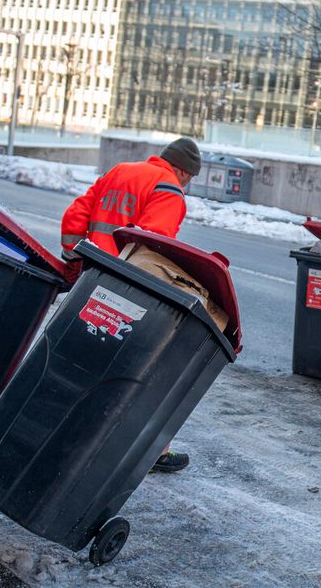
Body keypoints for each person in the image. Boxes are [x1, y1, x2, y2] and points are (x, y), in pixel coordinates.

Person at [60, 137, 202, 473]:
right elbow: (153, 248)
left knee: (78, 359)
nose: (186, 185)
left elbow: (75, 217)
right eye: (189, 179)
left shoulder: (120, 171)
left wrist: (74, 262)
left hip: (92, 279)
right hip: (126, 291)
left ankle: (66, 429)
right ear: (183, 171)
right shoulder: (169, 188)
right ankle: (149, 452)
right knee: (147, 369)